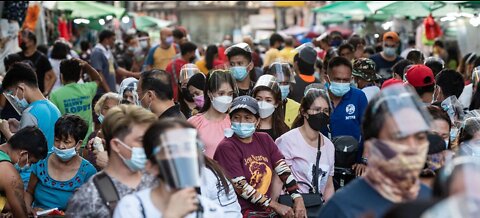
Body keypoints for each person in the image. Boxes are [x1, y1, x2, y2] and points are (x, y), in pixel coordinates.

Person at [318, 84, 432, 218]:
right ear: (372, 145)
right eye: (399, 137)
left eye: (420, 137)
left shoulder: (431, 201)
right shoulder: (342, 207)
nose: (412, 147)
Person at [114, 118, 235, 217]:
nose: (185, 156)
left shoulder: (211, 211)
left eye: (190, 147)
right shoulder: (132, 208)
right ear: (151, 166)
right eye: (172, 149)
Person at [214, 96, 306, 217]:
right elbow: (241, 187)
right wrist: (275, 205)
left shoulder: (264, 139)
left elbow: (283, 169)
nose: (242, 122)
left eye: (248, 118)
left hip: (263, 212)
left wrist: (297, 197)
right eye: (237, 117)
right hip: (238, 213)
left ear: (257, 121)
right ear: (230, 120)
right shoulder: (227, 147)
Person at [66, 104, 158, 217]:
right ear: (116, 145)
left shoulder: (156, 182)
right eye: (141, 140)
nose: (149, 145)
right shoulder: (89, 197)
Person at [25, 115, 97, 211]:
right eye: (57, 140)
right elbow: (29, 192)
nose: (61, 146)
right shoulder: (41, 161)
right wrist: (28, 209)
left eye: (67, 142)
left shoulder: (88, 172)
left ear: (78, 144)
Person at [276, 88, 335, 200]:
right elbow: (278, 181)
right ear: (304, 112)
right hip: (293, 206)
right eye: (317, 109)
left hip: (317, 208)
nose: (321, 114)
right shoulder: (287, 141)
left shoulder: (329, 146)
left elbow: (328, 185)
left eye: (326, 111)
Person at [0, 63, 61, 150]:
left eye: (12, 93)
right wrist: (19, 126)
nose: (13, 98)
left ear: (21, 88)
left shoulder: (29, 113)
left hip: (35, 163)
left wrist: (6, 131)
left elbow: (23, 151)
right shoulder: (53, 108)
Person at [50, 58, 108, 147]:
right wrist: (87, 66)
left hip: (66, 143)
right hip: (87, 142)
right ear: (79, 76)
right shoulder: (87, 89)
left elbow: (53, 120)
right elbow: (97, 79)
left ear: (61, 76)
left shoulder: (55, 95)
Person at [326, 57, 368, 171]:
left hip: (354, 165)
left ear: (351, 79)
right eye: (337, 79)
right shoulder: (319, 97)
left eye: (345, 80)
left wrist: (364, 161)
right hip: (324, 164)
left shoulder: (359, 97)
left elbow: (368, 131)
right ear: (327, 78)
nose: (341, 83)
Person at [0, 127, 47, 218]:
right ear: (23, 154)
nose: (29, 166)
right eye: (31, 162)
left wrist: (24, 207)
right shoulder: (10, 175)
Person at [188, 70, 236, 158]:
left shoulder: (235, 122)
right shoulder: (194, 123)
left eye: (230, 94)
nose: (226, 98)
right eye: (221, 93)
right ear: (209, 93)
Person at [90, 30, 139, 94]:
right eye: (113, 39)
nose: (114, 42)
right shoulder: (97, 53)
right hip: (102, 92)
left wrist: (135, 74)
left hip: (111, 90)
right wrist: (108, 91)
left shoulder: (108, 51)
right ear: (106, 40)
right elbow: (98, 74)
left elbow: (117, 69)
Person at [17, 30, 56, 96]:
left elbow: (53, 76)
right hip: (21, 96)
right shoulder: (17, 56)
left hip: (36, 95)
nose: (21, 41)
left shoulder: (41, 57)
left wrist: (46, 92)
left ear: (32, 42)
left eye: (23, 39)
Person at [253, 75, 289, 140]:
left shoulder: (283, 130)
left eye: (268, 100)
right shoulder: (247, 128)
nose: (262, 104)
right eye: (258, 99)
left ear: (276, 104)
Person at [264, 62, 301, 128]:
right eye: (279, 83)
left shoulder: (297, 108)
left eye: (286, 83)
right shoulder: (262, 105)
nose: (282, 86)